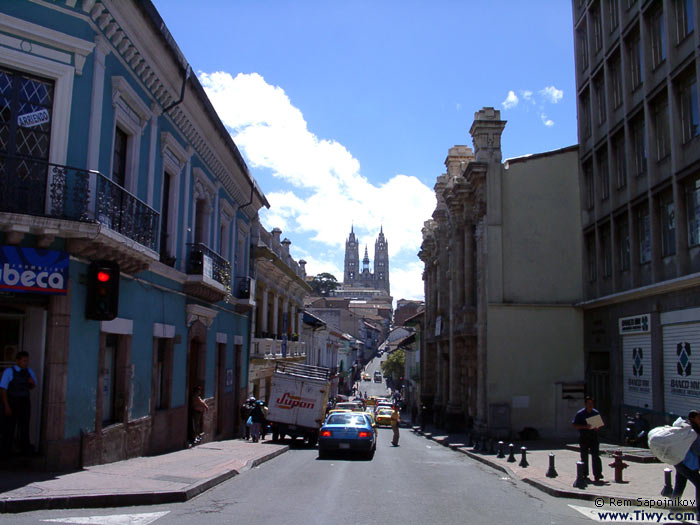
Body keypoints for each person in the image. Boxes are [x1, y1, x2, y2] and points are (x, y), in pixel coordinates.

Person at [1, 350, 37, 457]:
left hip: (24, 401)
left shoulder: (29, 372)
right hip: (13, 401)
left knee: (24, 427)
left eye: (27, 361)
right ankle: (6, 451)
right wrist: (6, 405)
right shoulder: (9, 372)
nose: (26, 363)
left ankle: (24, 450)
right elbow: (3, 389)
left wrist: (31, 382)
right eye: (24, 360)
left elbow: (33, 386)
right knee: (9, 427)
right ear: (18, 361)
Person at [672, 410, 700, 521]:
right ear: (693, 419)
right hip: (687, 464)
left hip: (679, 461)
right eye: (699, 417)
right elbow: (697, 450)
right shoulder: (693, 432)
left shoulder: (687, 429)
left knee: (680, 484)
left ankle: (674, 509)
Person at [571, 396, 603, 481]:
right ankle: (584, 474)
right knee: (584, 456)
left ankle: (598, 474)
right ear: (585, 404)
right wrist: (585, 427)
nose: (590, 405)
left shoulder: (595, 412)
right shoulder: (580, 413)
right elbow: (574, 425)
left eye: (592, 403)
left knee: (596, 456)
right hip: (584, 436)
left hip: (593, 437)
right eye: (589, 403)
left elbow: (599, 424)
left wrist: (597, 427)